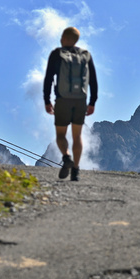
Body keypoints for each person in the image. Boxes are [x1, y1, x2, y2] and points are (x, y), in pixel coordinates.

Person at [41, 27, 97, 181]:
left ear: (64, 38)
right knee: (77, 135)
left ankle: (66, 157)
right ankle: (76, 171)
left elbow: (48, 79)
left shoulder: (56, 54)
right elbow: (93, 81)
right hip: (80, 100)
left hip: (62, 100)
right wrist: (92, 102)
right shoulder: (85, 55)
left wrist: (47, 100)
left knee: (60, 134)